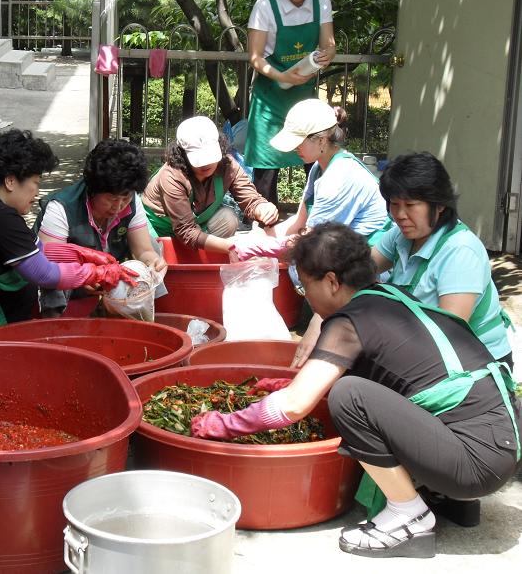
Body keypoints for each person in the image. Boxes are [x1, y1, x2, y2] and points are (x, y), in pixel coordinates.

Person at [191, 223, 520, 558]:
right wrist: (291, 383)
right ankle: (449, 497)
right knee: (356, 387)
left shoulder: (349, 321)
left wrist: (223, 424)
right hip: (501, 442)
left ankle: (410, 516)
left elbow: (293, 407)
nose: (307, 297)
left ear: (332, 281)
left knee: (348, 396)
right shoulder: (393, 298)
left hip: (474, 462)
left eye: (305, 287)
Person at [0, 129, 136, 333]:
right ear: (11, 181)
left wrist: (83, 255)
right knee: (27, 283)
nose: (37, 192)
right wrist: (95, 273)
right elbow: (44, 273)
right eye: (35, 182)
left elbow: (41, 254)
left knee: (24, 287)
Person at [373, 152, 513, 365]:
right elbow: (358, 270)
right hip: (418, 347)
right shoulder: (400, 235)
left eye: (410, 205)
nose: (400, 215)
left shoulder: (461, 251)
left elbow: (446, 336)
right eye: (394, 204)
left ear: (439, 205)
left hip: (473, 366)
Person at [245, 0, 336, 204]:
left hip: (304, 98)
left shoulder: (322, 2)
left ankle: (317, 221)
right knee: (266, 161)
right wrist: (281, 75)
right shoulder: (265, 6)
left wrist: (327, 55)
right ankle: (264, 223)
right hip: (269, 98)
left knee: (316, 160)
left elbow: (329, 44)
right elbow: (254, 57)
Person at [36, 139, 167, 315]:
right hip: (70, 278)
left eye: (125, 198)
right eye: (112, 199)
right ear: (93, 189)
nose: (119, 206)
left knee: (154, 248)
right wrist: (82, 278)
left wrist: (153, 262)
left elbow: (143, 250)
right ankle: (55, 327)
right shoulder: (61, 207)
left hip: (107, 276)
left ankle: (146, 318)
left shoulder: (133, 200)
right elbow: (47, 263)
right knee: (55, 277)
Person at [245, 99, 389, 253]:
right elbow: (299, 222)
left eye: (299, 142)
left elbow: (312, 241)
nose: (295, 148)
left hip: (366, 260)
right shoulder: (318, 167)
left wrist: (259, 246)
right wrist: (263, 236)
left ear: (321, 141)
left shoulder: (339, 176)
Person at [141, 116, 280, 254]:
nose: (206, 164)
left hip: (196, 228)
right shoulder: (171, 176)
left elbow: (250, 198)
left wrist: (262, 208)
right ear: (182, 154)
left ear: (220, 146)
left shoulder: (228, 166)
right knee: (151, 257)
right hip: (157, 230)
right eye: (199, 159)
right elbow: (186, 231)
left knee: (228, 218)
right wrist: (232, 247)